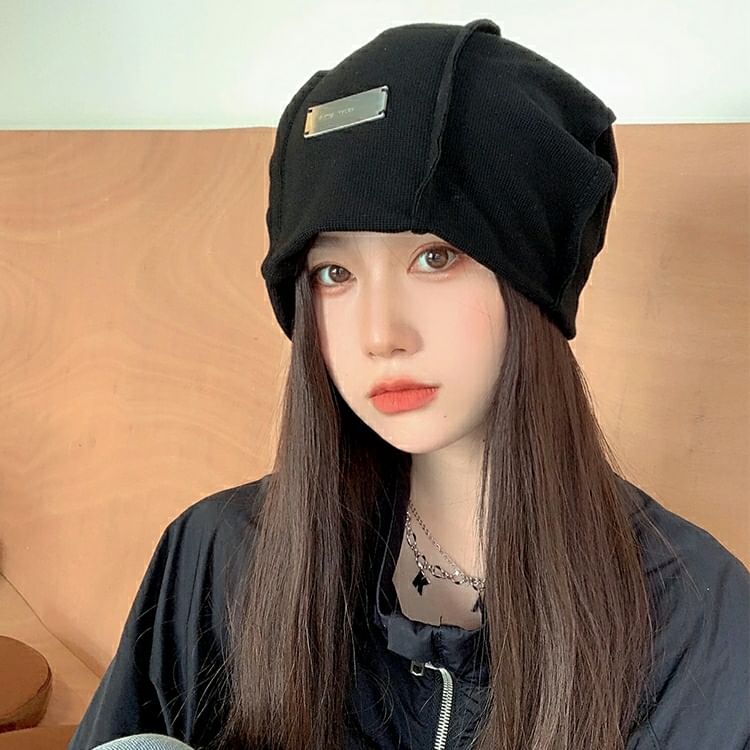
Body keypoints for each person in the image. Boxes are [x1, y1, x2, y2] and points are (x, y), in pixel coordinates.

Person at [68, 18, 750, 750]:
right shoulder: (220, 556)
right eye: (334, 272)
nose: (379, 333)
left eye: (435, 257)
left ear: (531, 285)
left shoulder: (694, 617)